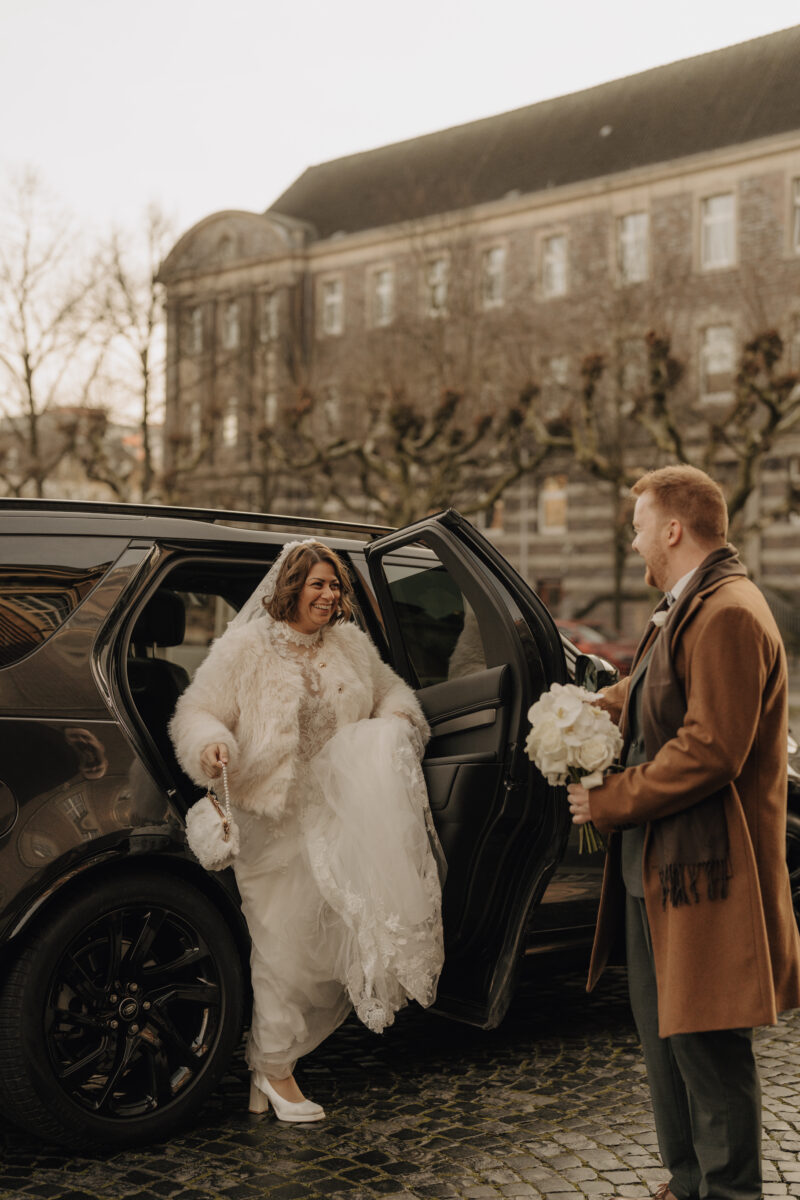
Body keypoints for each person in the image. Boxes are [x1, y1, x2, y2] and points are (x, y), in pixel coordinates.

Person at [567, 465, 800, 1200]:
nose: (631, 541)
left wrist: (609, 801)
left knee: (707, 1046)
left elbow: (712, 747)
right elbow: (660, 684)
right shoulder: (689, 603)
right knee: (664, 1037)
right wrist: (595, 706)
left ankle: (729, 1191)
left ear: (673, 529)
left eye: (637, 526)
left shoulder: (730, 609)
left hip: (707, 874)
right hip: (659, 866)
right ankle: (688, 1179)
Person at [170, 539, 444, 1124]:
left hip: (336, 816)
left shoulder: (350, 644)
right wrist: (210, 742)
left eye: (335, 586)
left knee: (324, 949)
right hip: (271, 819)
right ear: (290, 587)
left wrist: (395, 722)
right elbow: (196, 711)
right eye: (318, 584)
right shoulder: (244, 648)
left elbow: (391, 690)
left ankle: (268, 1067)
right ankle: (273, 1069)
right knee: (282, 947)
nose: (329, 595)